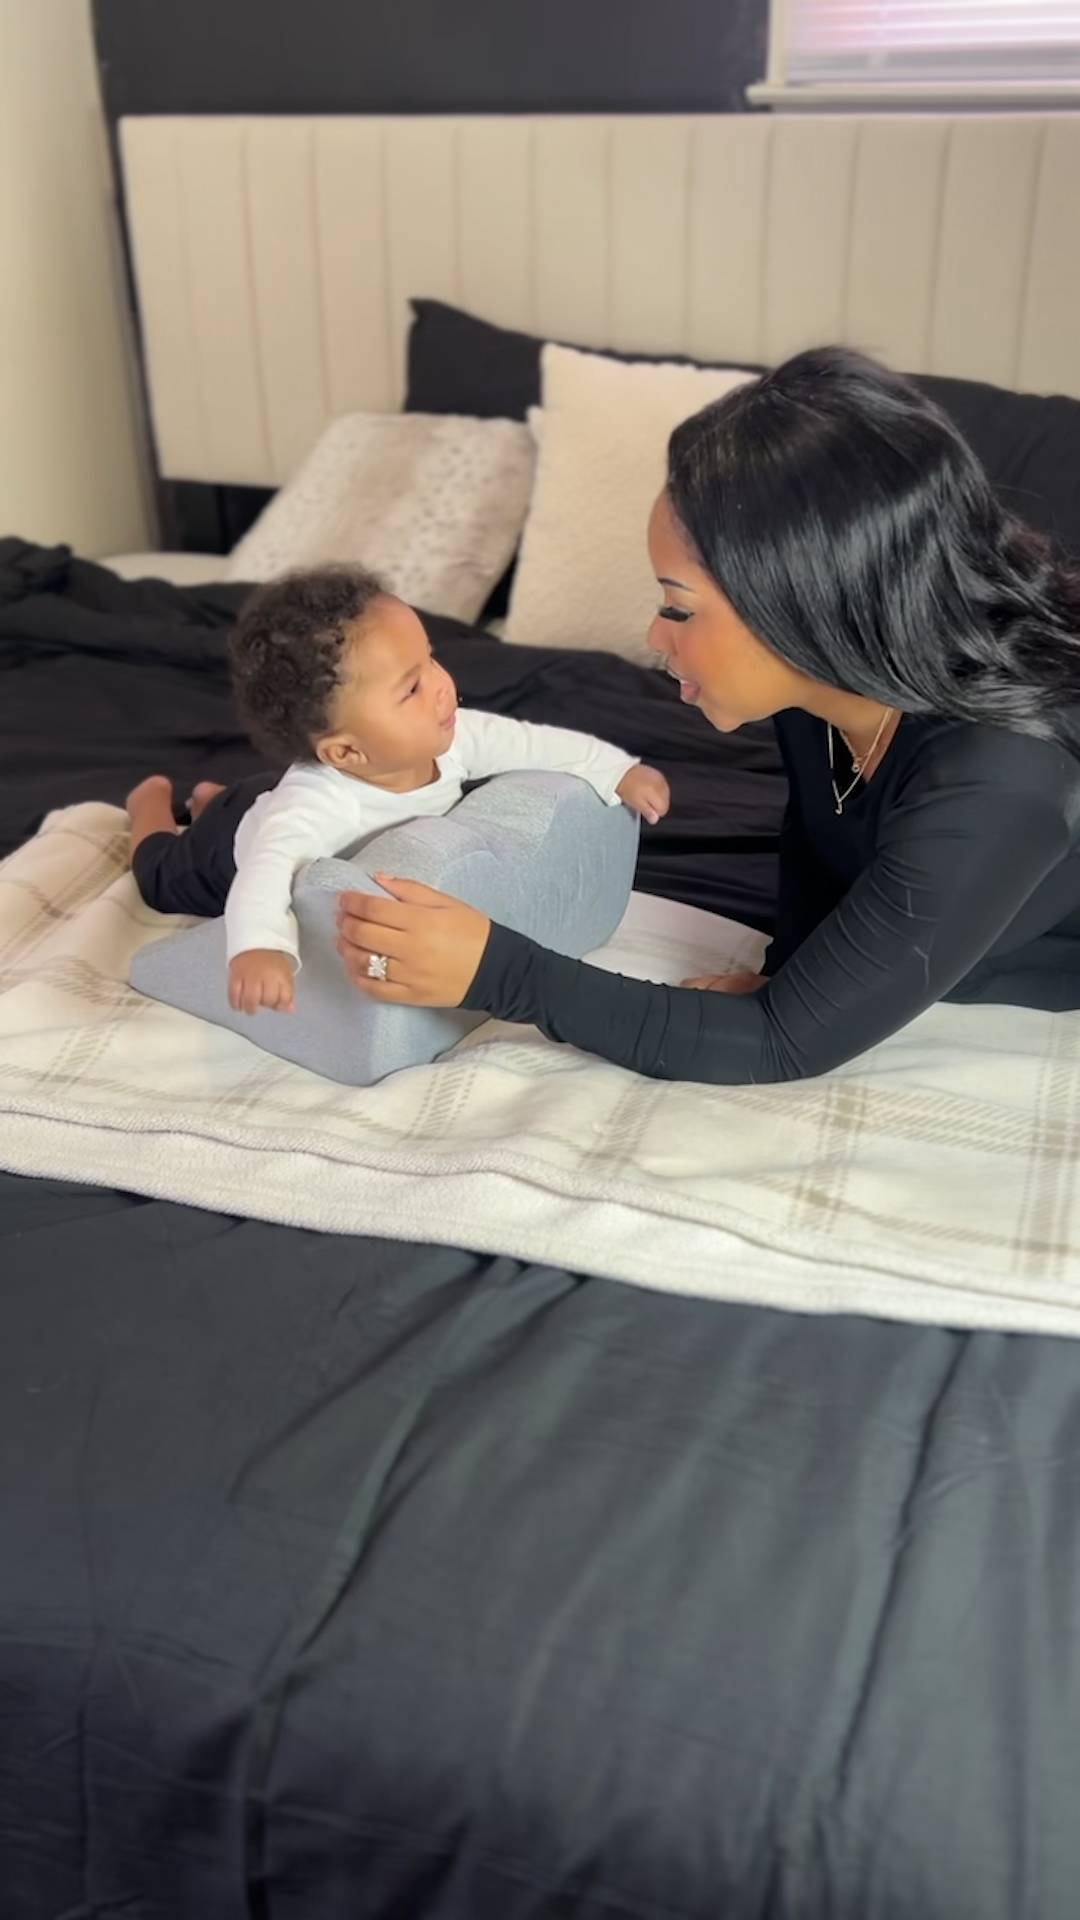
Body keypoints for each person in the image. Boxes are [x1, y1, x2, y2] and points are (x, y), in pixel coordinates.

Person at [335, 345, 1080, 1085]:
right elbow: (816, 834)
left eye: (678, 607)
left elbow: (780, 1045)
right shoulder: (834, 680)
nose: (657, 639)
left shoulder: (1000, 781)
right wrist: (787, 967)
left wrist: (494, 970)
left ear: (802, 606)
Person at [126, 565, 670, 1014]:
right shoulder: (313, 808)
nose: (441, 685)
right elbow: (264, 875)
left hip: (260, 799)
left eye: (430, 658)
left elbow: (534, 744)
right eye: (411, 687)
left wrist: (616, 770)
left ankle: (208, 798)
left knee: (242, 803)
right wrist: (261, 950)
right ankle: (150, 802)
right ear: (346, 752)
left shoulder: (449, 736)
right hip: (228, 847)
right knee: (158, 877)